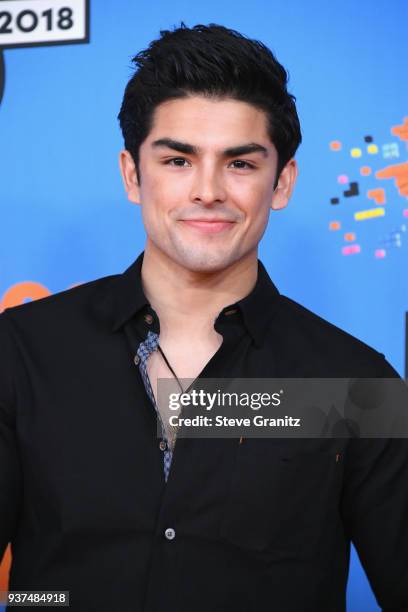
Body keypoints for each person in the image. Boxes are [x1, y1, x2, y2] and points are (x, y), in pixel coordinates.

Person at [0, 23, 407, 612]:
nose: (208, 190)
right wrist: (50, 597)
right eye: (178, 160)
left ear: (282, 182)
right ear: (133, 174)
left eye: (240, 164)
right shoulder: (23, 350)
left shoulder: (357, 384)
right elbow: (35, 586)